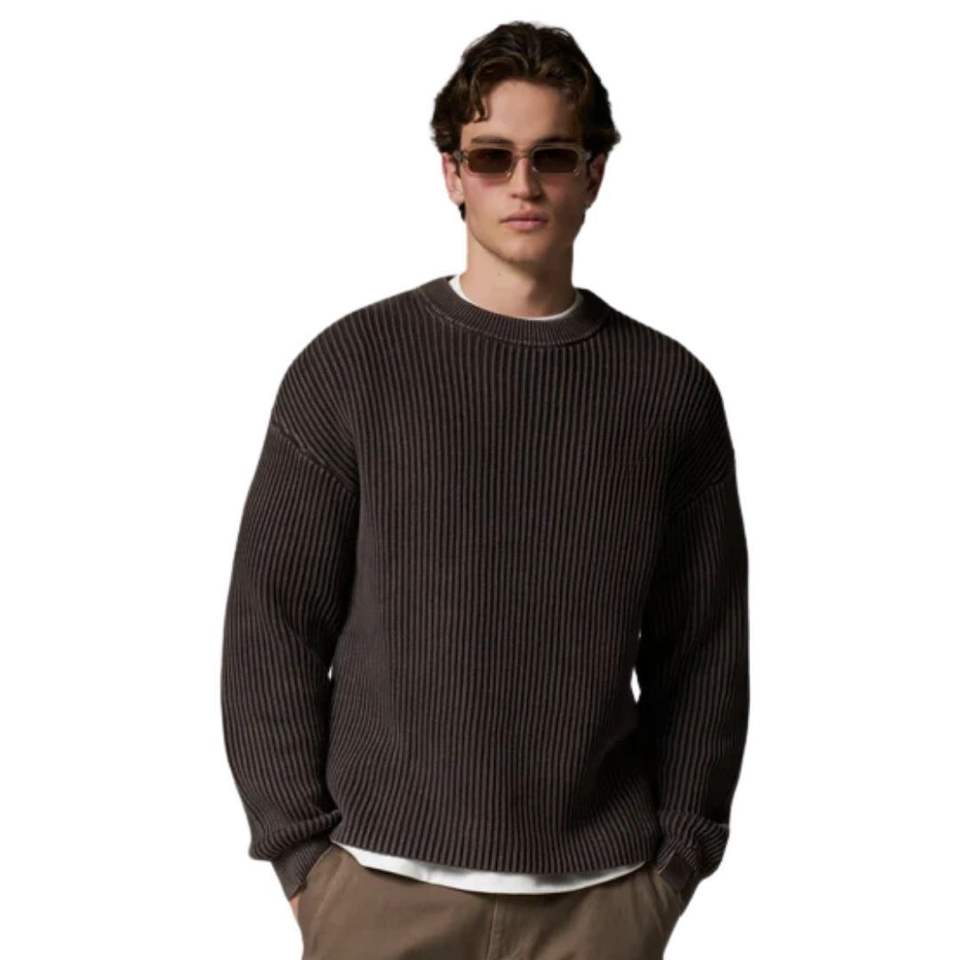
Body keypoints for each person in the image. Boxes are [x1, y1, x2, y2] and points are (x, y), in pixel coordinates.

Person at [221, 20, 749, 960]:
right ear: (452, 173)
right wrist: (303, 859)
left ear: (594, 172)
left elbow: (703, 650)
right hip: (378, 891)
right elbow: (273, 624)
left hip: (600, 902)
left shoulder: (668, 391)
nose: (523, 183)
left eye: (553, 155)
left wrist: (675, 866)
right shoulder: (351, 369)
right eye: (493, 156)